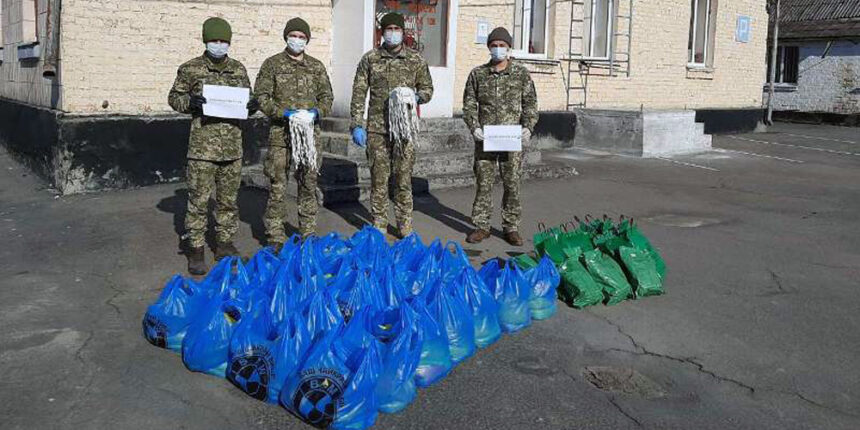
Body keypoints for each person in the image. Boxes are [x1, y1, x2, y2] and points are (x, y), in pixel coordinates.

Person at [168, 17, 258, 275]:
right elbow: (174, 97)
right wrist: (190, 104)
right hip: (202, 149)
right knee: (198, 200)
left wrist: (252, 106)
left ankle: (225, 244)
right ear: (205, 40)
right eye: (214, 40)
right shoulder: (190, 69)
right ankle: (195, 248)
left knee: (228, 201)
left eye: (223, 40)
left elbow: (248, 99)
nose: (219, 45)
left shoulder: (238, 69)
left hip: (232, 146)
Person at [349, 12, 433, 238]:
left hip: (404, 131)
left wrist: (416, 97)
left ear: (403, 32)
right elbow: (359, 93)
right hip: (377, 129)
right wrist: (358, 124)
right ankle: (379, 223)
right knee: (378, 179)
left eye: (397, 29)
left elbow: (428, 89)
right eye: (389, 29)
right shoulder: (370, 59)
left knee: (403, 179)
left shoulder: (416, 60)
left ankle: (405, 224)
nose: (393, 33)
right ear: (382, 32)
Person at [254, 17, 334, 249]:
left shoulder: (316, 66)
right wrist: (284, 113)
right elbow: (261, 97)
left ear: (307, 40)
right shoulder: (272, 65)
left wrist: (316, 112)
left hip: (309, 138)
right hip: (281, 137)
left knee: (308, 185)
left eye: (301, 36)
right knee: (278, 187)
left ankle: (308, 233)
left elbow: (327, 97)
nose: (297, 40)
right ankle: (276, 236)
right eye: (293, 35)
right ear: (286, 37)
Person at [462, 27, 538, 246]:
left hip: (511, 138)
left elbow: (530, 103)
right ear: (489, 48)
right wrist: (474, 126)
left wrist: (528, 127)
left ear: (509, 48)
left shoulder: (521, 73)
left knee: (512, 183)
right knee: (484, 183)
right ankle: (482, 226)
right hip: (486, 138)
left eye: (502, 45)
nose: (498, 49)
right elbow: (468, 104)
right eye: (494, 45)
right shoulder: (478, 74)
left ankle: (510, 227)